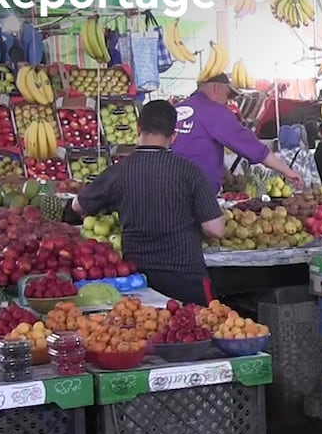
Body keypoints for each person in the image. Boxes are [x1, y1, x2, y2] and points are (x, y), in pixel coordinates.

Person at [72, 100, 225, 306]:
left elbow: (78, 206)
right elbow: (215, 229)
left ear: (138, 128)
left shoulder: (119, 171)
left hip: (139, 280)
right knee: (196, 332)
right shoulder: (190, 172)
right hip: (186, 277)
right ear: (174, 136)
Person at [172, 74, 302, 192]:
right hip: (196, 194)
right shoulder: (216, 112)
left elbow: (196, 148)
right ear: (217, 88)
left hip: (165, 190)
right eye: (227, 95)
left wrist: (222, 169)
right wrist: (287, 171)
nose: (227, 101)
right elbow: (252, 147)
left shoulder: (174, 110)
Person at [278, 124, 321, 190]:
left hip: (286, 194)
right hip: (306, 193)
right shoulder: (307, 154)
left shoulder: (277, 156)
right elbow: (315, 178)